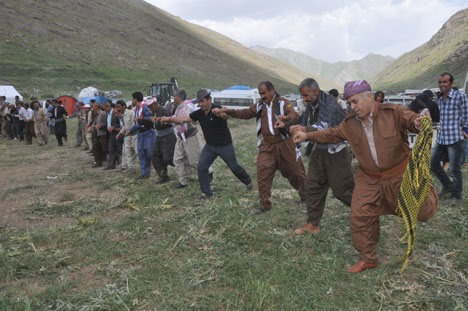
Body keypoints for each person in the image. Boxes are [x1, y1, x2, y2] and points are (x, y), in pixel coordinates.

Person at [292, 80, 438, 273]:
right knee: (359, 215)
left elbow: (410, 119)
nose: (351, 107)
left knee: (423, 211)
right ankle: (368, 258)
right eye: (349, 103)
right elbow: (332, 134)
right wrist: (307, 136)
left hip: (399, 175)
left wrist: (417, 122)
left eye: (354, 102)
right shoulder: (350, 123)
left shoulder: (392, 112)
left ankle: (426, 190)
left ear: (369, 97)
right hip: (368, 178)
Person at [215, 81, 306, 214]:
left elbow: (294, 115)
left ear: (272, 90)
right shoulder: (258, 106)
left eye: (264, 93)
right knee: (263, 173)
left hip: (285, 143)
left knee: (296, 172)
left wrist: (285, 119)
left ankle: (306, 196)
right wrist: (228, 111)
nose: (262, 96)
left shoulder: (283, 102)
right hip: (267, 145)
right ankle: (265, 205)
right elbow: (245, 113)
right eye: (260, 93)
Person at [277, 78, 354, 234]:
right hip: (319, 150)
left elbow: (323, 127)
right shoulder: (312, 104)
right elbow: (304, 121)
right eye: (302, 96)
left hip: (337, 153)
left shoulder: (330, 104)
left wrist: (304, 129)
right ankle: (313, 224)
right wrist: (286, 124)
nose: (304, 99)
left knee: (342, 191)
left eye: (306, 95)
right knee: (312, 187)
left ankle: (367, 213)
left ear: (316, 92)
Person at [162, 89, 252, 199]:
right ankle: (207, 193)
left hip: (224, 145)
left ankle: (248, 181)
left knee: (234, 167)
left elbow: (226, 116)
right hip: (210, 146)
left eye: (202, 101)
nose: (200, 104)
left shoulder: (217, 108)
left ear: (209, 99)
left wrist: (221, 114)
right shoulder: (200, 113)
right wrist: (170, 119)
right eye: (199, 102)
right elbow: (185, 118)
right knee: (201, 167)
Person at [430, 72, 468, 203]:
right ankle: (448, 186)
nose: (442, 85)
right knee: (433, 164)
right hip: (441, 138)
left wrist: (462, 129)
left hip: (455, 138)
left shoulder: (459, 96)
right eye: (440, 82)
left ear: (451, 83)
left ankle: (456, 196)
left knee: (454, 168)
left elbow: (466, 115)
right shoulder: (439, 99)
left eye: (445, 82)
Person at [171, 89, 210, 189]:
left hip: (190, 136)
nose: (174, 98)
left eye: (175, 96)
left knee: (194, 161)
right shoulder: (178, 108)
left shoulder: (187, 106)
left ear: (179, 97)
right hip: (180, 137)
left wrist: (170, 120)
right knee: (178, 159)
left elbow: (185, 119)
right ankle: (183, 181)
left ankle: (209, 171)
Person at [148, 98, 176, 184]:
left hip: (168, 136)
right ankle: (163, 176)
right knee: (155, 155)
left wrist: (160, 120)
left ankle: (184, 165)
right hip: (159, 136)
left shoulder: (164, 110)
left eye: (150, 106)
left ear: (155, 104)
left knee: (168, 158)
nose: (150, 109)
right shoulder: (153, 112)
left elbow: (171, 121)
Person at [128, 92, 156, 179]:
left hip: (148, 133)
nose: (132, 101)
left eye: (133, 99)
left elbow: (150, 118)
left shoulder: (144, 108)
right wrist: (130, 131)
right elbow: (137, 124)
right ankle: (144, 173)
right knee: (141, 153)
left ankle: (150, 169)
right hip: (140, 133)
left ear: (135, 99)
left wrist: (141, 119)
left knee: (148, 153)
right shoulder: (137, 109)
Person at [118, 101, 138, 171]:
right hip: (127, 136)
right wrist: (120, 133)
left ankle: (148, 165)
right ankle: (131, 167)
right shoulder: (122, 115)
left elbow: (135, 123)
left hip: (134, 135)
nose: (118, 109)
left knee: (138, 152)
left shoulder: (131, 112)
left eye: (119, 107)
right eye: (117, 107)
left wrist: (130, 130)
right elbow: (124, 126)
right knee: (127, 152)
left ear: (124, 106)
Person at [104, 101, 123, 170]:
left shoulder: (115, 112)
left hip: (117, 133)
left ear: (109, 107)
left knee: (119, 149)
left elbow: (121, 123)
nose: (105, 110)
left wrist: (113, 127)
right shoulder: (107, 113)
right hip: (110, 134)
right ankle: (111, 165)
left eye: (105, 108)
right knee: (111, 149)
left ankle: (124, 165)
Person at [91, 102, 108, 167]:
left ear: (97, 107)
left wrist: (100, 126)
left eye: (94, 106)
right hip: (96, 134)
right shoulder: (96, 114)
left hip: (102, 134)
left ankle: (114, 158)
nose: (93, 108)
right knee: (96, 148)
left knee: (104, 148)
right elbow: (94, 122)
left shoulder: (103, 113)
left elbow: (105, 123)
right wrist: (92, 126)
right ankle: (98, 162)